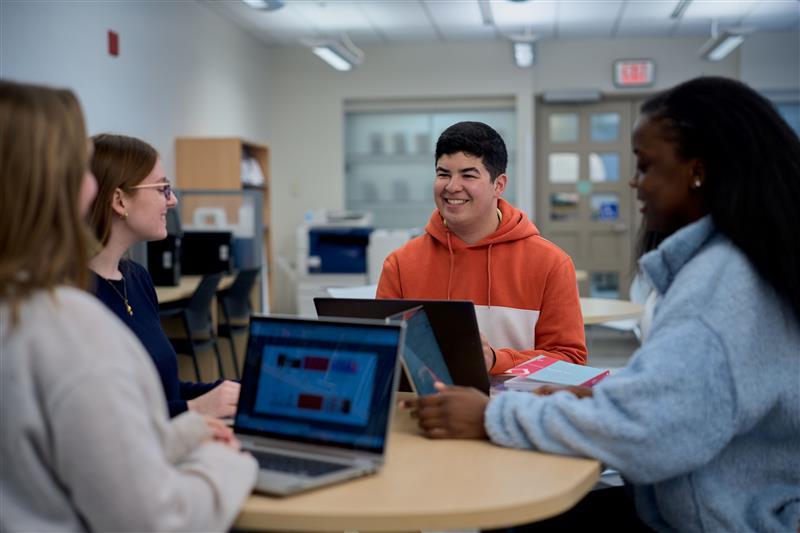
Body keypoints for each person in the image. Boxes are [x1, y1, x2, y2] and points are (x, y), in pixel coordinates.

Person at [405, 77, 800, 532]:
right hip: (711, 501)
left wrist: (492, 415)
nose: (634, 182)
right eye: (443, 173)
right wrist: (603, 395)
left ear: (698, 171)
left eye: (646, 166)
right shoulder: (741, 263)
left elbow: (652, 432)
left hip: (718, 519)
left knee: (519, 518)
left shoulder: (721, 290)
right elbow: (686, 395)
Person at [0, 80, 257, 531]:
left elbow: (106, 435)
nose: (89, 186)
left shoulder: (119, 285)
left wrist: (192, 425)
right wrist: (231, 463)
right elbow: (152, 519)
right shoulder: (68, 324)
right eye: (81, 170)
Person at [377, 121, 587, 374]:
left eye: (468, 175)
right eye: (443, 173)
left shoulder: (551, 263)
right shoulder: (401, 264)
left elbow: (570, 360)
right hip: (429, 409)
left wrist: (497, 361)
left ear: (499, 185)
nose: (452, 186)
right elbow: (383, 355)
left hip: (516, 409)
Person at [88, 133, 239, 418]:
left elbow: (164, 391)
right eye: (162, 189)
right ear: (120, 201)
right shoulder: (73, 298)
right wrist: (195, 409)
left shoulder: (137, 278)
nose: (172, 202)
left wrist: (230, 393)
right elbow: (106, 419)